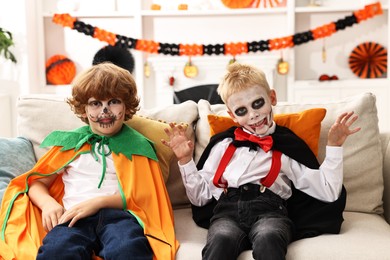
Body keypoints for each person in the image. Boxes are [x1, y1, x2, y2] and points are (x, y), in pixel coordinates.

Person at [162, 63, 360, 260]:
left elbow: (328, 191)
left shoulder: (287, 147)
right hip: (226, 212)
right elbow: (200, 198)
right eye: (242, 111)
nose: (253, 114)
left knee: (269, 239)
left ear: (272, 98)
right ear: (232, 115)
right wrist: (185, 160)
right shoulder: (222, 146)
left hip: (271, 212)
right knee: (220, 241)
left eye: (258, 103)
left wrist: (334, 146)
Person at [0, 62, 179, 260]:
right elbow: (36, 183)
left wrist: (98, 203)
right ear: (84, 109)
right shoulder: (71, 143)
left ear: (126, 106)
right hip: (72, 218)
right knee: (56, 252)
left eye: (113, 102)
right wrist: (48, 204)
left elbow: (144, 194)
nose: (105, 111)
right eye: (96, 103)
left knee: (128, 250)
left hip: (120, 218)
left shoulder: (138, 146)